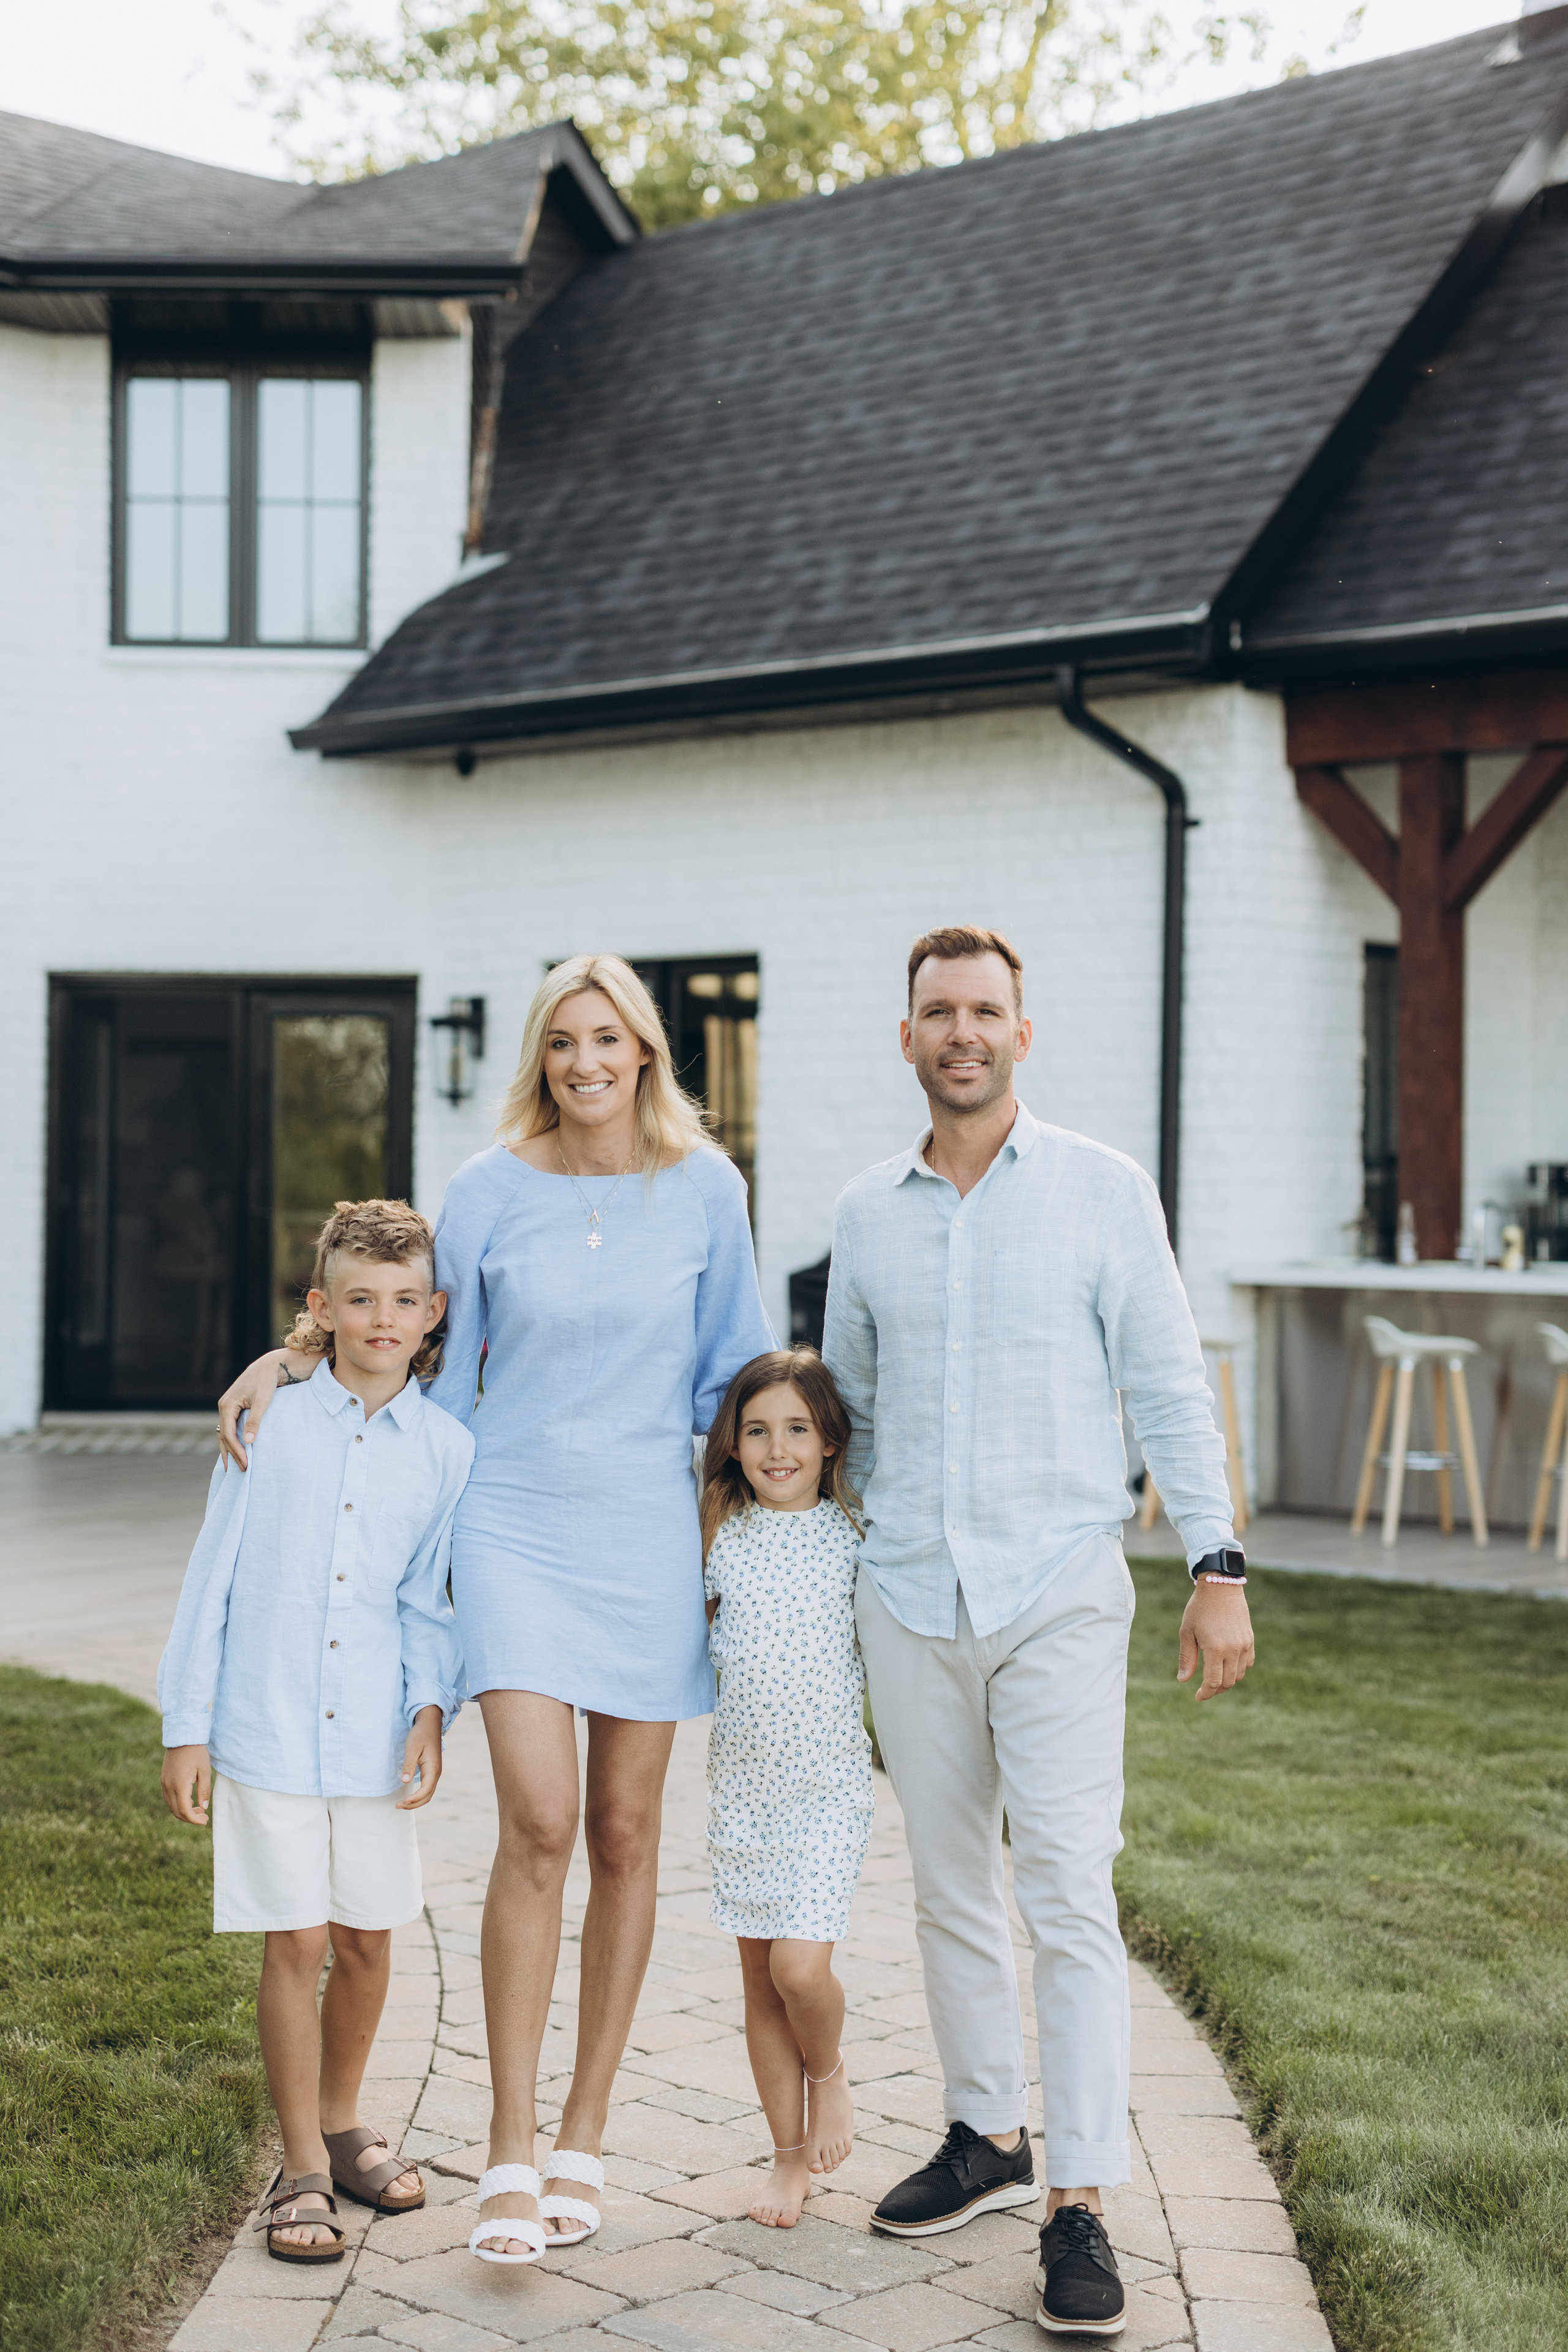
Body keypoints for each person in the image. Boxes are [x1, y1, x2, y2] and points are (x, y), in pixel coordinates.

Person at [217, 956, 775, 2267]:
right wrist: (291, 1356)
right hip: (509, 1520)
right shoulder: (484, 1188)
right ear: (542, 1056)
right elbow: (409, 1328)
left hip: (649, 1534)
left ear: (646, 1051)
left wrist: (755, 1529)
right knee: (539, 1822)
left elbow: (733, 1373)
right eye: (564, 1041)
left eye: (610, 1039)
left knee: (627, 1834)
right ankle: (510, 2146)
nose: (587, 1063)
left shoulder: (708, 1188)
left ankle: (583, 2136)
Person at [823, 925, 1254, 2340]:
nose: (961, 1031)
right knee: (947, 1884)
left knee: (1066, 1888)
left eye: (984, 1010)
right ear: (905, 1038)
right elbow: (848, 1416)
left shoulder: (1099, 1188)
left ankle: (1079, 2200)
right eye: (936, 1012)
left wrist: (1216, 1564)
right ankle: (984, 2138)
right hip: (906, 1590)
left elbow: (1168, 1384)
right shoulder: (865, 1213)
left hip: (1057, 1583)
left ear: (1021, 1031)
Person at [161, 1200, 469, 2263]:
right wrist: (187, 1725)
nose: (382, 1320)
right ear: (321, 1308)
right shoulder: (270, 1422)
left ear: (433, 1313)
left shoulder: (447, 1448)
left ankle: (342, 2122)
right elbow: (212, 1574)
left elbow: (429, 1597)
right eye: (360, 1299)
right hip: (267, 1722)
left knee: (370, 1938)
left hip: (374, 1732)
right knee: (294, 1941)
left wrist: (431, 1709)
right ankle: (299, 2165)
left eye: (403, 1301)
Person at [700, 1346, 873, 2229]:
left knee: (799, 1970)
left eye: (798, 1429)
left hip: (827, 1792)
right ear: (732, 1443)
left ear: (830, 1441)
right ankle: (787, 2157)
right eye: (758, 1430)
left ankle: (829, 2074)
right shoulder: (717, 1535)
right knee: (760, 1984)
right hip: (743, 1795)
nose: (778, 1449)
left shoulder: (855, 1537)